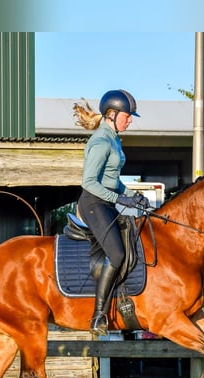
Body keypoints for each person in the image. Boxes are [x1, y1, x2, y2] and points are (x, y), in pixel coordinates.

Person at [72, 89, 151, 336]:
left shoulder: (115, 139)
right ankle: (98, 316)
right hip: (93, 203)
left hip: (106, 201)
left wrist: (132, 194)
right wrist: (120, 198)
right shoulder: (100, 142)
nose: (131, 120)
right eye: (128, 116)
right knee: (116, 254)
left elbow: (112, 180)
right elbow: (89, 182)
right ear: (112, 114)